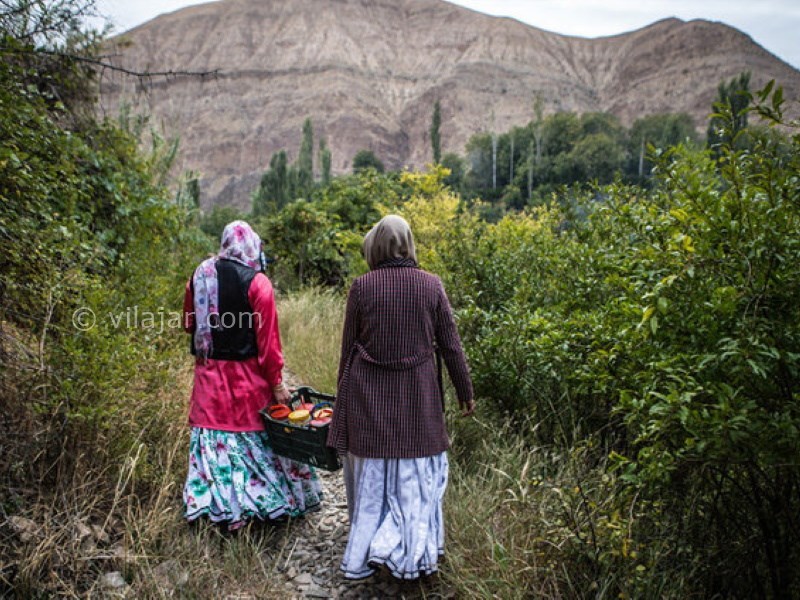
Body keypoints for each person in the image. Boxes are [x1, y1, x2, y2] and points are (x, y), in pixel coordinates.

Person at [328, 214, 475, 580]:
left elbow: (348, 352)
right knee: (415, 480)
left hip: (369, 401)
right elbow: (452, 346)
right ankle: (409, 553)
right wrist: (465, 392)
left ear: (376, 245)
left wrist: (340, 407)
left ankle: (373, 549)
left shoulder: (361, 287)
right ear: (408, 242)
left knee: (374, 479)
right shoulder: (431, 285)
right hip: (418, 402)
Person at [182, 220, 322, 530]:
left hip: (208, 384)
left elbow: (189, 324)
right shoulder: (259, 284)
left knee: (215, 443)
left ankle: (218, 510)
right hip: (247, 384)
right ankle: (263, 508)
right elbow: (268, 345)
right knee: (255, 442)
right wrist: (277, 384)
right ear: (252, 246)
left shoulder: (199, 276)